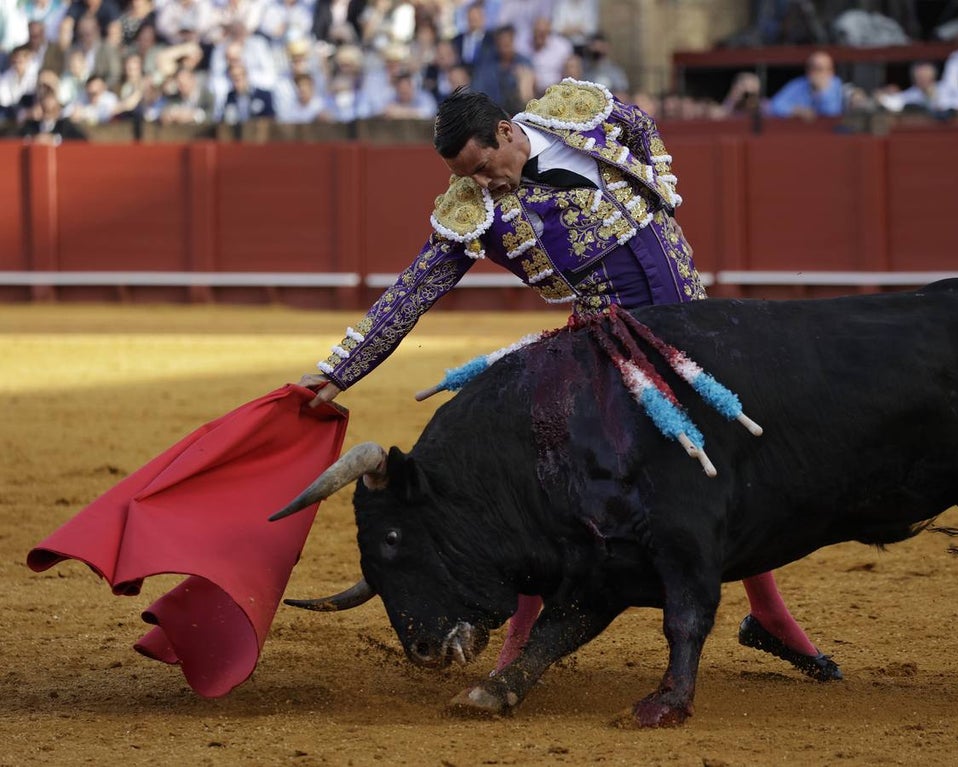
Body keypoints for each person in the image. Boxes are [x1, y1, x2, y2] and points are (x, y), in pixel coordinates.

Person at [298, 82, 841, 681]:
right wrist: (338, 372)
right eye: (466, 177)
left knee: (722, 467)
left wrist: (660, 179)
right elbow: (412, 291)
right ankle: (516, 649)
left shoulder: (572, 116)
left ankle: (767, 617)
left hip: (695, 323)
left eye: (483, 167)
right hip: (613, 350)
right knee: (546, 495)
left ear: (506, 131)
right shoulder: (474, 212)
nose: (482, 184)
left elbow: (638, 122)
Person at [765, 50, 842, 118]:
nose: (814, 72)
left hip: (827, 133)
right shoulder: (799, 84)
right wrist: (796, 111)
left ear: (830, 71)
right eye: (811, 67)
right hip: (798, 132)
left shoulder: (838, 86)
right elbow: (775, 105)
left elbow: (832, 114)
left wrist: (821, 92)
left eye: (819, 69)